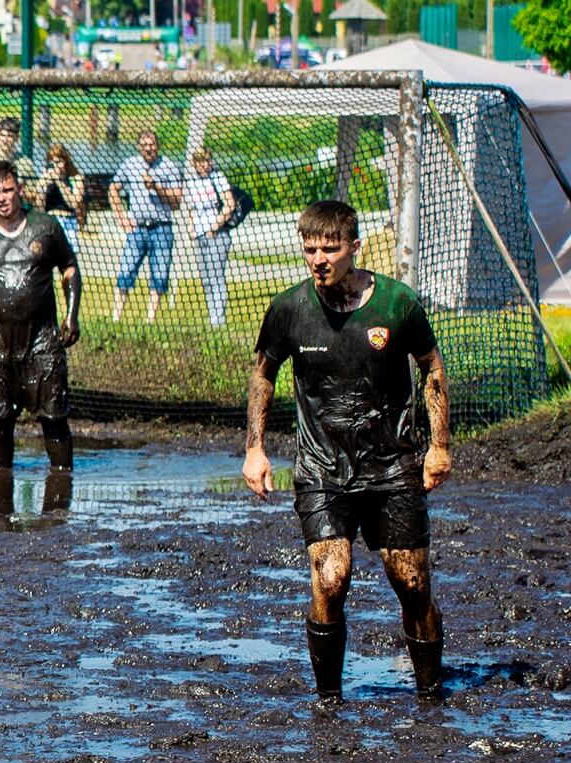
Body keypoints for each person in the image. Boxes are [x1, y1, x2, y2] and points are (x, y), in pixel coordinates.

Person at [242, 200, 452, 705]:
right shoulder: (289, 309)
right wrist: (255, 449)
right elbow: (262, 376)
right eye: (310, 248)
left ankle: (430, 693)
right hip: (322, 469)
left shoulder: (397, 304)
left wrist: (440, 446)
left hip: (393, 465)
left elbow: (433, 368)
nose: (319, 259)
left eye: (330, 248)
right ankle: (329, 700)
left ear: (354, 248)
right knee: (332, 577)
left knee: (411, 579)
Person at [0, 159, 82, 474]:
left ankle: (61, 495)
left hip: (42, 340)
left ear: (19, 189)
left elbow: (69, 269)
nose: (3, 197)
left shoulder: (46, 227)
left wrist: (71, 315)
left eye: (8, 189)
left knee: (54, 418)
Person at [108, 129, 184, 322]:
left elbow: (177, 200)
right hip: (137, 229)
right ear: (139, 147)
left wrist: (157, 188)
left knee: (159, 275)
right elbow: (113, 188)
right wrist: (121, 217)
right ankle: (116, 317)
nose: (149, 149)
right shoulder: (131, 164)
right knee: (125, 271)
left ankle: (150, 320)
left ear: (157, 146)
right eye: (145, 145)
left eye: (152, 145)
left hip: (162, 228)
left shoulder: (168, 166)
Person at [184, 146, 237, 327]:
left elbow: (230, 205)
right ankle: (211, 317)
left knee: (216, 277)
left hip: (217, 234)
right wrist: (192, 228)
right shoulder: (191, 182)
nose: (205, 165)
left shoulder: (218, 178)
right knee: (206, 278)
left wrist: (214, 226)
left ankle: (218, 321)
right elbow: (192, 208)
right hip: (199, 235)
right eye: (201, 162)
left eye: (207, 160)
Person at [40, 143, 86, 252]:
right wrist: (42, 187)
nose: (56, 166)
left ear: (65, 161)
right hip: (50, 223)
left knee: (69, 263)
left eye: (58, 162)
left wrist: (59, 182)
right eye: (52, 162)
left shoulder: (75, 178)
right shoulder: (46, 178)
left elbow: (74, 203)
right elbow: (39, 207)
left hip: (68, 224)